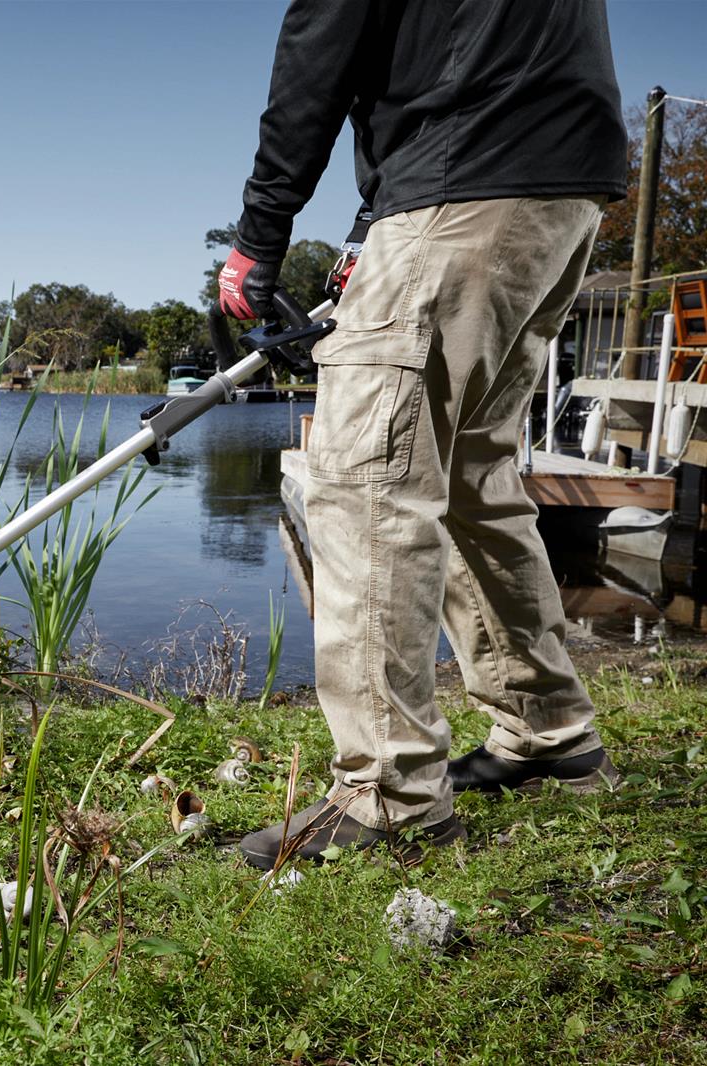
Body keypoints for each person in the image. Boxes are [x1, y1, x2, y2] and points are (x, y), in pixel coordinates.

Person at [216, 0, 628, 869]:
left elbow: (317, 50)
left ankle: (389, 793)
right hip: (563, 182)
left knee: (366, 482)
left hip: (467, 172)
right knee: (472, 471)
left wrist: (259, 234)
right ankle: (549, 729)